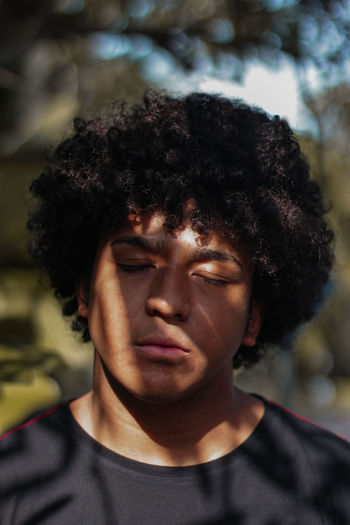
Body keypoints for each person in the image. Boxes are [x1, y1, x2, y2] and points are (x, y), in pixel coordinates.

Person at [1, 90, 349, 524]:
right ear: (85, 292)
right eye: (135, 266)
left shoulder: (333, 485)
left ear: (253, 320)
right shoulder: (11, 483)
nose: (167, 301)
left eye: (211, 278)